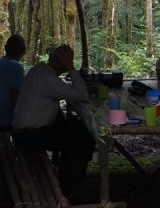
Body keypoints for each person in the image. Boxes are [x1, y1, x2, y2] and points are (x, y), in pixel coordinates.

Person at [11, 43, 96, 197]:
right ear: (62, 63)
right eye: (69, 60)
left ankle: (68, 181)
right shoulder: (47, 78)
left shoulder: (40, 71)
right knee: (83, 139)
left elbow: (69, 91)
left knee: (77, 131)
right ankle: (70, 189)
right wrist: (71, 67)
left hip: (25, 132)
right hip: (29, 136)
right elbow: (83, 95)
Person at [0, 34, 27, 137]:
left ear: (6, 49)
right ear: (23, 51)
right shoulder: (16, 67)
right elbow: (18, 98)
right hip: (7, 118)